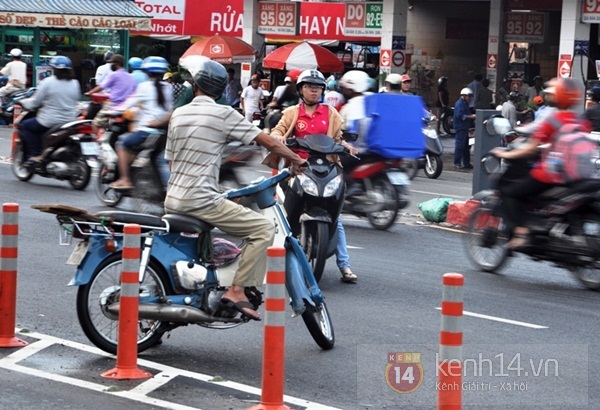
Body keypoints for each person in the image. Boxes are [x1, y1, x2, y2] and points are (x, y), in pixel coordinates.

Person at [165, 58, 307, 321]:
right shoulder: (224, 114)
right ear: (220, 90)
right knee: (263, 229)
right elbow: (268, 143)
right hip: (199, 200)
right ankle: (237, 290)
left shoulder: (178, 114)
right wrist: (298, 160)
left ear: (194, 85)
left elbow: (174, 164)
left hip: (173, 198)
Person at [270, 69, 359, 283]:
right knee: (280, 212)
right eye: (310, 87)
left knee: (336, 219)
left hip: (326, 168)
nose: (314, 91)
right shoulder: (292, 113)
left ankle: (345, 266)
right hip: (299, 167)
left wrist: (347, 146)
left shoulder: (330, 113)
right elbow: (278, 130)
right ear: (301, 90)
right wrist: (278, 137)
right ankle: (274, 255)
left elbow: (338, 137)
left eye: (318, 87)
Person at [491, 77, 590, 250]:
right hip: (575, 176)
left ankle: (521, 234)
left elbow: (529, 149)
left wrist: (507, 154)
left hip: (549, 175)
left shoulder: (552, 120)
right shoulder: (580, 121)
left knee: (510, 193)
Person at [109, 56, 173, 190]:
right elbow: (170, 109)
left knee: (121, 144)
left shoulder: (144, 87)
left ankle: (125, 179)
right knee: (160, 160)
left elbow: (128, 104)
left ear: (147, 72)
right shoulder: (168, 87)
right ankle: (167, 189)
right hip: (163, 134)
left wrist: (113, 111)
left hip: (146, 132)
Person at [18, 56, 80, 163]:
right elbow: (76, 100)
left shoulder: (48, 82)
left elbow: (35, 102)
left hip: (49, 121)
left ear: (54, 69)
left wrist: (22, 101)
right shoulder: (75, 83)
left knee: (26, 126)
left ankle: (34, 155)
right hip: (70, 121)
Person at [85, 54, 137, 135]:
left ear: (116, 64)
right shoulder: (130, 76)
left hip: (112, 107)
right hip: (125, 109)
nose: (111, 66)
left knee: (95, 124)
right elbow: (133, 92)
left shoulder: (114, 75)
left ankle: (95, 143)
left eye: (112, 64)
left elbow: (101, 86)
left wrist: (90, 92)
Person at [453, 87, 476, 170]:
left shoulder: (465, 103)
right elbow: (460, 115)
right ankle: (457, 163)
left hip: (465, 127)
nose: (469, 98)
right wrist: (471, 117)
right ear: (464, 95)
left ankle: (466, 163)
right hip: (461, 127)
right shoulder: (460, 104)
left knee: (466, 146)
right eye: (468, 96)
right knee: (460, 146)